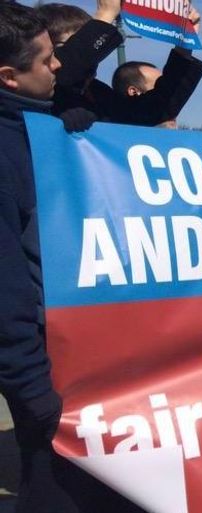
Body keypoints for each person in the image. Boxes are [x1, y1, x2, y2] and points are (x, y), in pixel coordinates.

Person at [0, 6, 71, 511]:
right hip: (41, 372)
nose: (58, 68)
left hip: (65, 351)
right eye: (47, 60)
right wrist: (33, 388)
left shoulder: (33, 128)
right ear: (9, 76)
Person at [39, 1, 202, 127]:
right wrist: (105, 14)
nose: (92, 57)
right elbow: (65, 73)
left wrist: (184, 46)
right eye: (82, 43)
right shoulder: (34, 95)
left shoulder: (99, 94)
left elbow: (152, 111)